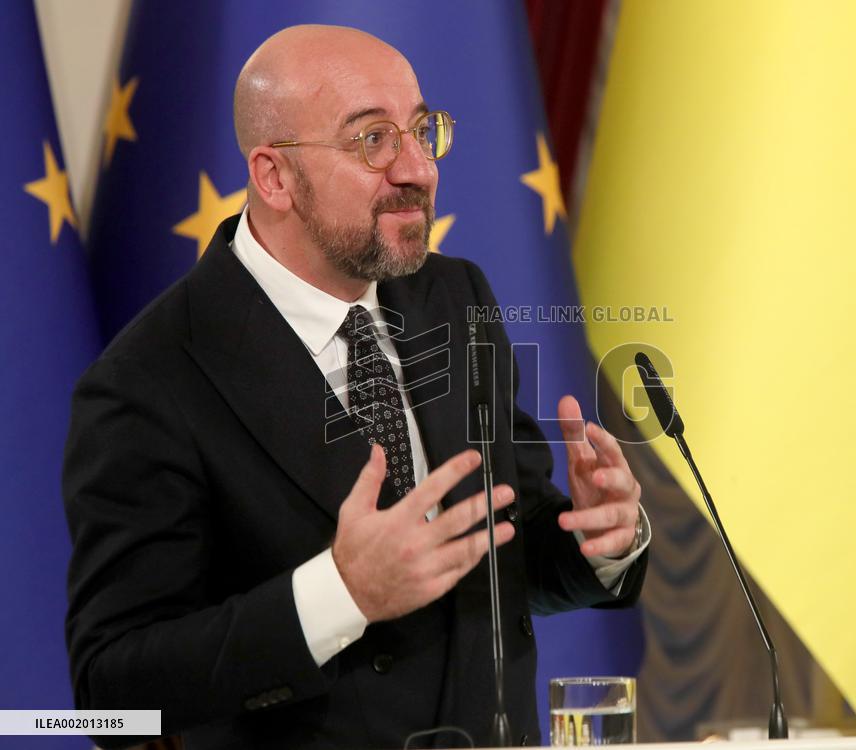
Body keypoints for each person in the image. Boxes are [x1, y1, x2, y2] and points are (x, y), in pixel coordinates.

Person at [63, 25, 648, 750]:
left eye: (422, 131)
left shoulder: (455, 297)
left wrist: (594, 543)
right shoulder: (148, 381)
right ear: (274, 176)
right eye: (373, 140)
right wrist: (340, 595)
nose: (419, 170)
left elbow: (498, 565)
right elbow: (112, 694)